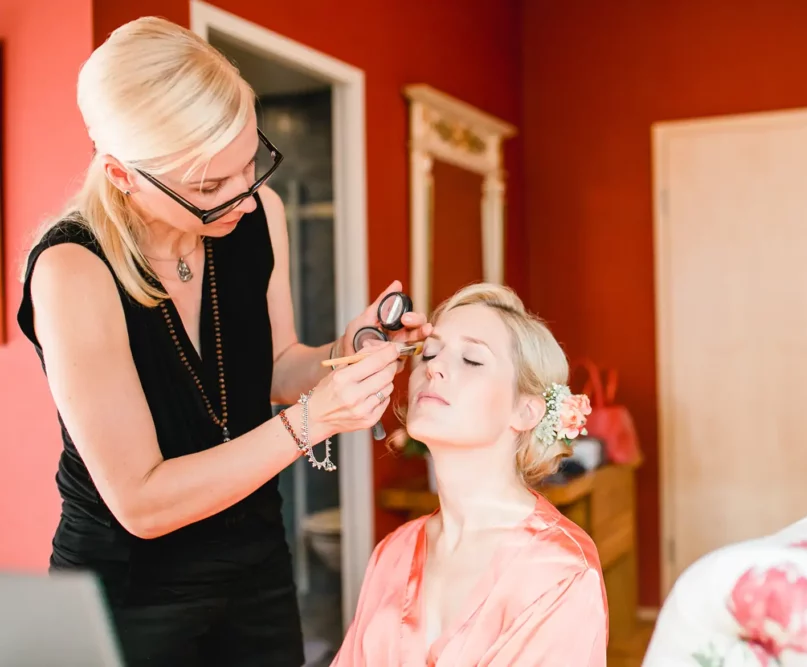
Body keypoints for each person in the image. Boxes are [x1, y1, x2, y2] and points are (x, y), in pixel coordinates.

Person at [15, 17, 429, 667]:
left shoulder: (259, 214)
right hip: (130, 596)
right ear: (124, 176)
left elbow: (278, 368)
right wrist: (310, 422)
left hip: (256, 570)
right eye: (210, 187)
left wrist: (348, 346)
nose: (243, 196)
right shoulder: (74, 269)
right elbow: (143, 501)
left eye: (249, 164)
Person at [332, 283, 609, 666]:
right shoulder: (393, 553)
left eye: (472, 360)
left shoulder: (559, 569)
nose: (434, 367)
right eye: (428, 353)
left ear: (527, 411)